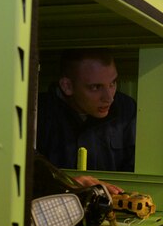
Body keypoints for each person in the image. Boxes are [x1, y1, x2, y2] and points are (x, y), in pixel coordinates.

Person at [37, 48, 136, 176]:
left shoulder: (125, 108)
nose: (109, 98)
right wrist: (65, 182)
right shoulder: (38, 113)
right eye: (95, 87)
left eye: (112, 83)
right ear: (67, 86)